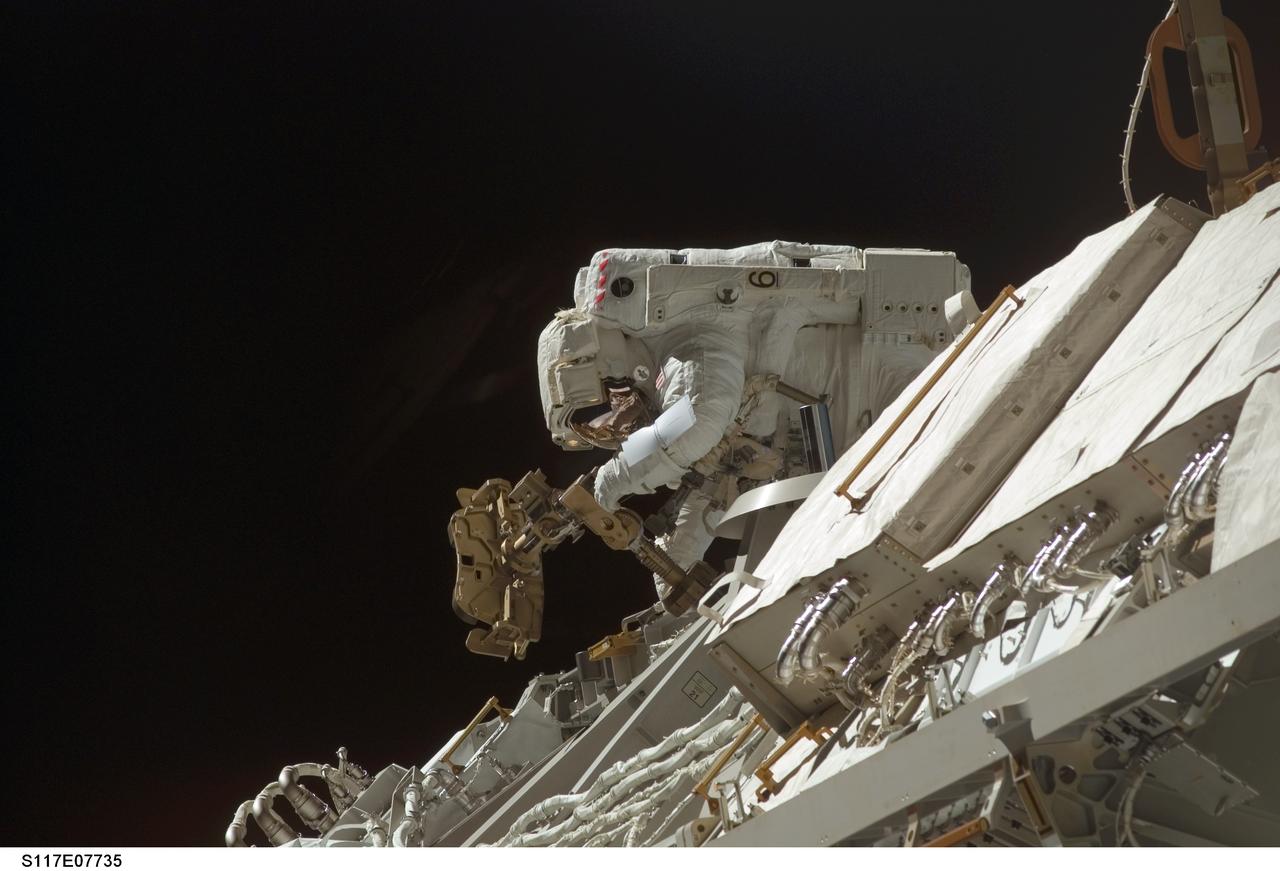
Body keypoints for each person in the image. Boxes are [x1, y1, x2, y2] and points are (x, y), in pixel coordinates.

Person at [537, 241, 971, 601]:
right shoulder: (676, 377)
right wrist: (673, 578)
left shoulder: (691, 344)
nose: (618, 423)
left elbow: (700, 419)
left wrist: (608, 484)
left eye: (605, 409)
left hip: (894, 385)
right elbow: (720, 478)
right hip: (873, 433)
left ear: (598, 363)